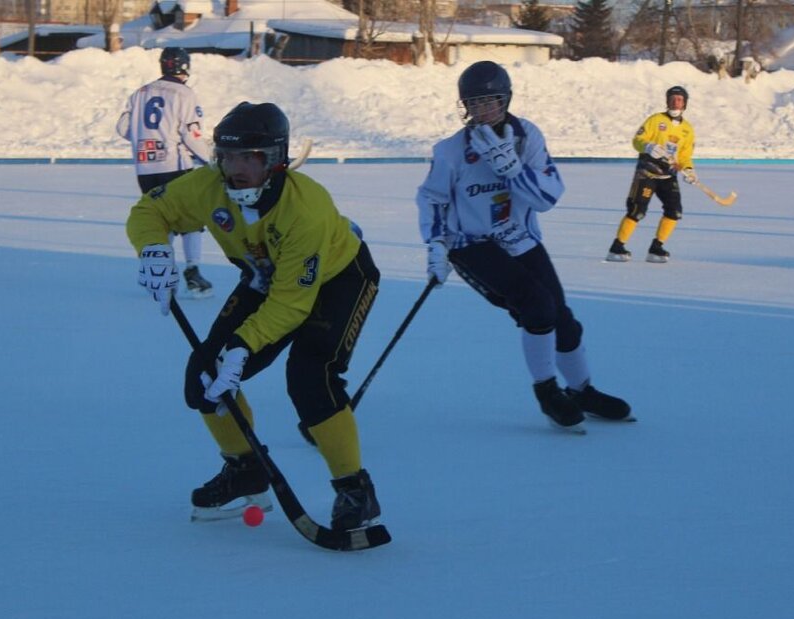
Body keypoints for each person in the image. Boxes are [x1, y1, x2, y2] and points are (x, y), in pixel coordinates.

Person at [125, 101, 388, 538]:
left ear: (276, 159)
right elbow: (149, 211)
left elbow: (291, 305)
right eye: (227, 156)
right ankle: (246, 470)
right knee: (207, 374)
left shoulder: (307, 209)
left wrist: (242, 349)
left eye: (250, 157)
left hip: (340, 279)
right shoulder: (208, 186)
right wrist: (152, 247)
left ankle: (355, 490)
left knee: (310, 378)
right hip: (267, 278)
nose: (235, 169)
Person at [416, 61, 631, 431]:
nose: (482, 111)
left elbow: (547, 198)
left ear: (506, 100)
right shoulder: (451, 150)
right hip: (472, 244)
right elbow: (433, 198)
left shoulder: (527, 136)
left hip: (519, 238)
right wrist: (436, 246)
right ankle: (547, 391)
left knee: (564, 321)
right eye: (474, 103)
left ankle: (582, 390)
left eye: (490, 102)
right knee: (537, 307)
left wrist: (512, 168)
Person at [116, 47, 214, 299]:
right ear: (185, 67)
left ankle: (161, 274)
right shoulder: (184, 93)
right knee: (191, 219)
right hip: (175, 166)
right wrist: (212, 160)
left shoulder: (140, 92)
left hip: (145, 168)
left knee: (161, 220)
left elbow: (123, 127)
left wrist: (146, 137)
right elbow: (190, 135)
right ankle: (193, 272)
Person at [606, 85, 697, 265]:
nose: (675, 102)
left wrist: (689, 170)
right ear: (667, 101)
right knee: (637, 211)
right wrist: (648, 146)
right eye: (672, 99)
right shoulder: (655, 120)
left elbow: (685, 156)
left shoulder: (687, 129)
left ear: (685, 103)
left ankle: (656, 247)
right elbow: (637, 140)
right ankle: (617, 247)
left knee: (674, 211)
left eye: (679, 99)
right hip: (646, 174)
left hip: (668, 176)